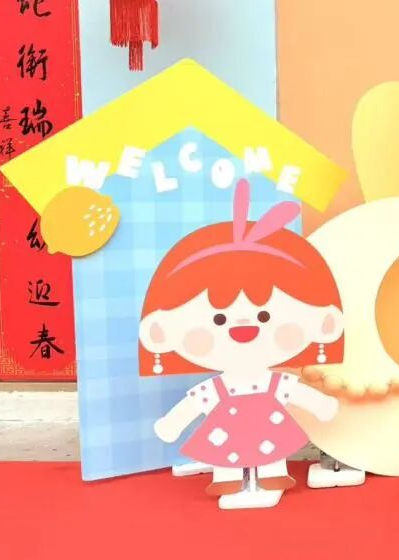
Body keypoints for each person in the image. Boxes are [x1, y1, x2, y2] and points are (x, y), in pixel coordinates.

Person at [140, 179, 344, 500]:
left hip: (268, 428)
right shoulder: (218, 388)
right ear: (160, 331)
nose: (244, 326)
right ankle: (229, 479)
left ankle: (273, 475)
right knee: (226, 453)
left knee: (271, 449)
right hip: (227, 432)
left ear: (324, 322)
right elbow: (193, 404)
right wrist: (172, 423)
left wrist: (321, 404)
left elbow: (297, 393)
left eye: (264, 316)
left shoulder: (273, 383)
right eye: (219, 319)